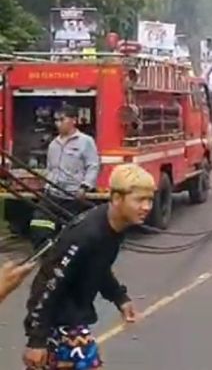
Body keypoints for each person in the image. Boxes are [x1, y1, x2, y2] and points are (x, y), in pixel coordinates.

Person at [22, 164, 153, 370]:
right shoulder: (87, 235)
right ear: (117, 199)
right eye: (139, 200)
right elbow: (49, 282)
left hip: (72, 320)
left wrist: (119, 297)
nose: (147, 207)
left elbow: (98, 266)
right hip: (60, 324)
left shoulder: (113, 227)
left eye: (150, 200)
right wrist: (36, 340)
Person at [30, 104, 99, 248]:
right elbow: (51, 168)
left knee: (71, 233)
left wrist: (85, 187)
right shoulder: (53, 144)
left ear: (74, 120)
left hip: (72, 197)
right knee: (38, 226)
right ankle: (45, 253)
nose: (58, 123)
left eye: (62, 119)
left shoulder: (85, 142)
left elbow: (93, 165)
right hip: (52, 194)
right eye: (56, 120)